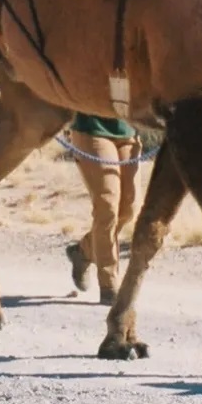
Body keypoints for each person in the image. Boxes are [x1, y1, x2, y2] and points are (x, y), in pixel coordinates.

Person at [64, 112, 142, 304]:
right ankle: (109, 285)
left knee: (130, 208)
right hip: (91, 128)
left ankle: (83, 251)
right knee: (107, 207)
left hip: (127, 131)